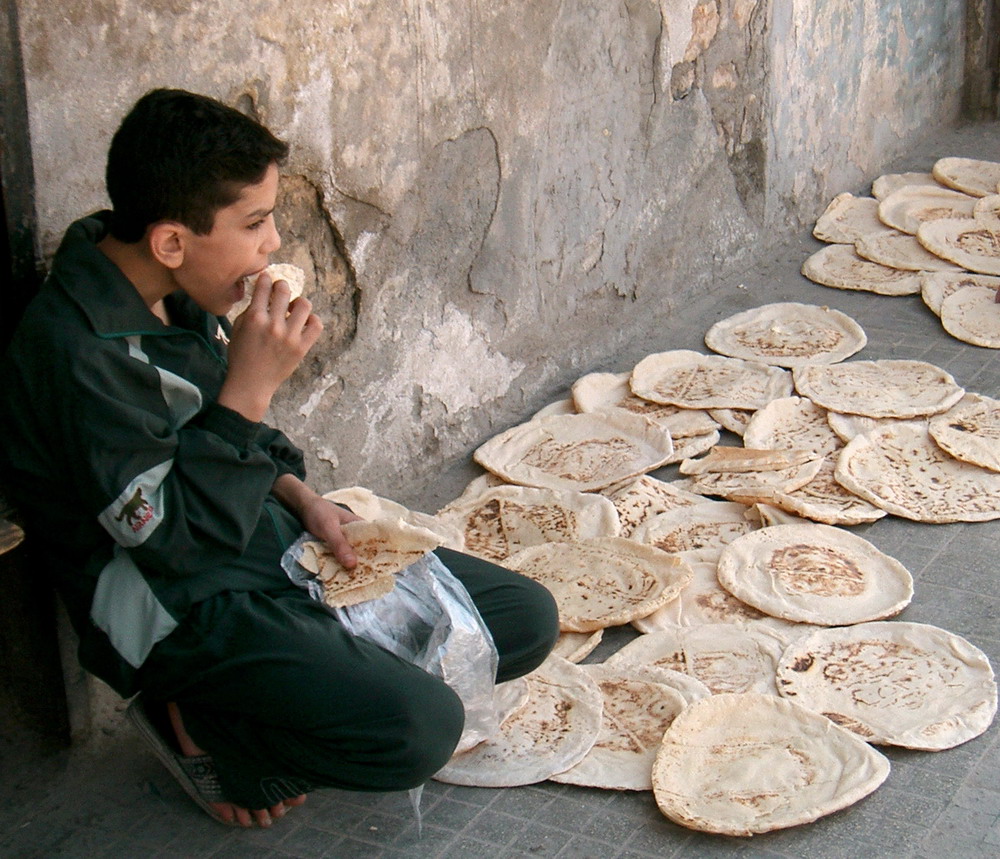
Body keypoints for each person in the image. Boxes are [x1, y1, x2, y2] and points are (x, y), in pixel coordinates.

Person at [0, 89, 559, 828]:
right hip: (174, 602)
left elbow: (240, 446)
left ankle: (310, 675)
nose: (272, 245)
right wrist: (251, 390)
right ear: (171, 239)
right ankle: (205, 726)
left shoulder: (174, 288)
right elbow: (167, 543)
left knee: (522, 620)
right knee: (420, 729)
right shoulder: (75, 355)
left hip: (253, 535)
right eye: (256, 223)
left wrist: (303, 497)